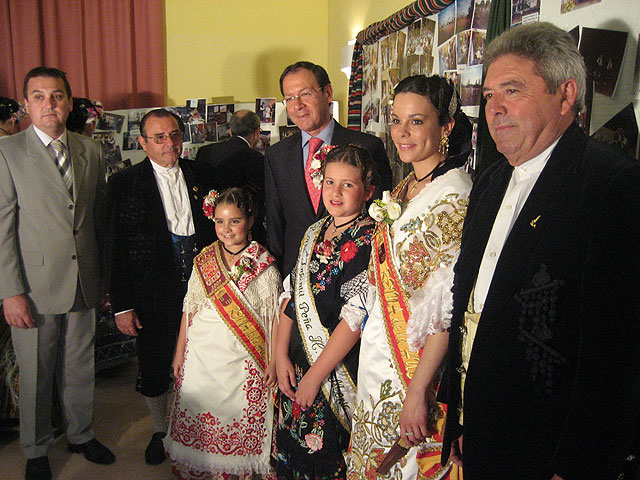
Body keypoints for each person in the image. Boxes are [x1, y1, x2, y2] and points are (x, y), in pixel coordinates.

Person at [442, 22, 640, 479]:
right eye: (489, 95)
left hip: (551, 448)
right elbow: (468, 301)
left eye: (512, 90)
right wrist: (460, 417)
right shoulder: (490, 182)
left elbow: (616, 349)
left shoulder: (612, 184)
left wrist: (577, 464)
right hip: (483, 429)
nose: (495, 109)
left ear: (566, 94)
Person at [347, 75, 472, 480]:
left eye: (416, 121)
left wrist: (419, 391)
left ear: (447, 126)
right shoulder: (404, 186)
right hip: (377, 356)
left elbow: (446, 309)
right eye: (396, 120)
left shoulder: (454, 196)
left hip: (417, 368)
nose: (401, 132)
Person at [0, 66, 114, 480]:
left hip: (84, 278)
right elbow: (2, 227)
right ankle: (35, 448)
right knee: (35, 371)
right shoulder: (7, 151)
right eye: (39, 96)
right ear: (26, 103)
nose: (50, 104)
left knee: (80, 365)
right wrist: (10, 291)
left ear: (69, 101)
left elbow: (97, 218)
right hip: (32, 286)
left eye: (58, 96)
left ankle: (81, 434)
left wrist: (102, 278)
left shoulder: (90, 149)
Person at [106, 108, 216, 466]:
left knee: (201, 359)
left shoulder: (200, 174)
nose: (169, 143)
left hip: (201, 286)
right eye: (159, 137)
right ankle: (160, 429)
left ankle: (196, 427)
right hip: (151, 290)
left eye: (174, 135)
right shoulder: (124, 183)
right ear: (142, 142)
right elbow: (115, 247)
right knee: (156, 361)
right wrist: (122, 305)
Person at [275, 144, 377, 479]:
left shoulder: (370, 239)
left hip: (335, 371)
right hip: (296, 363)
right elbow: (290, 295)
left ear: (368, 191)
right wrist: (279, 355)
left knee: (326, 460)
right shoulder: (313, 231)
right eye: (329, 182)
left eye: (347, 185)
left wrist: (316, 375)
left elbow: (355, 318)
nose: (335, 192)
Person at [165, 187, 282, 480]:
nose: (226, 229)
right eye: (219, 221)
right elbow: (189, 308)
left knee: (236, 420)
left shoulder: (265, 265)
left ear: (250, 220)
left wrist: (273, 362)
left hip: (243, 361)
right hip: (202, 356)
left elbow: (274, 319)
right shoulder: (204, 259)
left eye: (234, 221)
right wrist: (180, 351)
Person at [264, 61, 393, 276]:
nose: (297, 105)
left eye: (305, 94)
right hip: (296, 277)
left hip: (352, 272)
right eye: (289, 98)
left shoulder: (367, 147)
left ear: (328, 93)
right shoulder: (277, 155)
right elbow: (275, 224)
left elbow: (380, 217)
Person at [195, 110, 267, 244]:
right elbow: (259, 202)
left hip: (209, 233)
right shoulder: (256, 159)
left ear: (230, 131)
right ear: (257, 133)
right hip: (243, 236)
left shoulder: (204, 152)